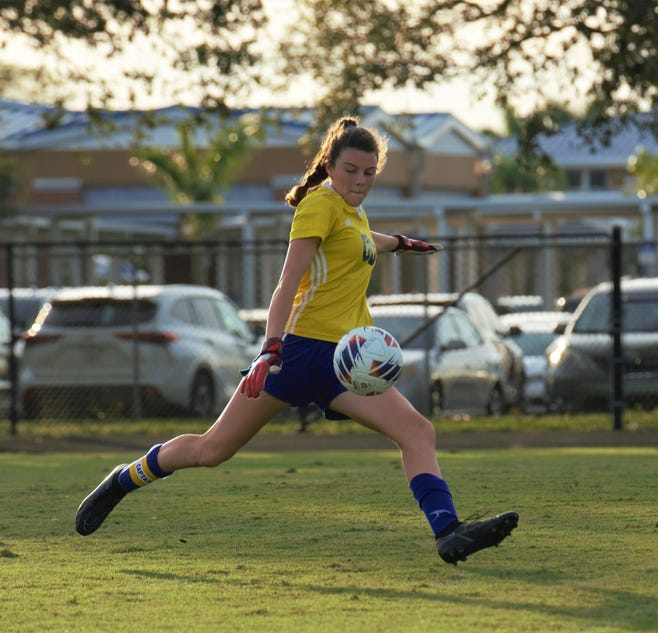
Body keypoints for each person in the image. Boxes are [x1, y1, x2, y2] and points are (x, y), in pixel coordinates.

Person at [75, 116, 518, 565]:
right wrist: (271, 348)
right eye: (351, 170)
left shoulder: (352, 211)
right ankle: (122, 479)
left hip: (343, 362)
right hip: (300, 351)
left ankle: (448, 531)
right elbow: (287, 283)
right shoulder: (318, 206)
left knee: (417, 431)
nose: (360, 181)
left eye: (369, 173)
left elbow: (360, 239)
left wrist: (399, 242)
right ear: (328, 164)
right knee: (212, 450)